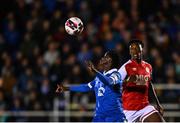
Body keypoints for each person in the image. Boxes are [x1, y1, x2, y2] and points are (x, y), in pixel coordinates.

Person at [56, 50, 126, 122]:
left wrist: (95, 71)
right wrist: (66, 88)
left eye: (105, 57)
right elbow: (86, 87)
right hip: (100, 116)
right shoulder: (99, 77)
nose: (102, 58)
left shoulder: (116, 75)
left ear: (110, 60)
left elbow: (109, 81)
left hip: (114, 116)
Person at [118, 39, 165, 122]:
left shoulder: (148, 66)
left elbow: (149, 84)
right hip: (128, 109)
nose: (134, 51)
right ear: (129, 52)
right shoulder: (126, 67)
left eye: (136, 48)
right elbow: (113, 85)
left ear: (141, 49)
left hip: (144, 106)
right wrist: (127, 81)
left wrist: (158, 103)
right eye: (132, 49)